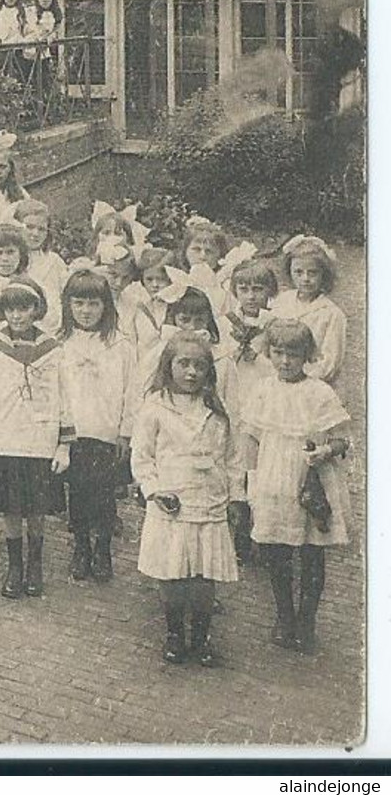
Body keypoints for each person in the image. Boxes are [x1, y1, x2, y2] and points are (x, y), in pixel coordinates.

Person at [131, 330, 241, 667]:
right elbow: (142, 457)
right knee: (173, 572)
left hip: (208, 503)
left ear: (209, 371)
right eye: (184, 364)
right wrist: (154, 490)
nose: (191, 373)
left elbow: (232, 459)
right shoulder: (155, 408)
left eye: (199, 366)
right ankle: (175, 633)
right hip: (171, 503)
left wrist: (236, 497)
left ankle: (202, 636)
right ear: (169, 366)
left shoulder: (217, 412)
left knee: (204, 575)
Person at [244, 319, 352, 654]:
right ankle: (284, 617)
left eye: (293, 354)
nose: (285, 361)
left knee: (311, 553)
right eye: (278, 353)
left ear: (307, 355)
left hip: (310, 481)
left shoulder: (319, 392)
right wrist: (251, 480)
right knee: (276, 552)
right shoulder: (264, 388)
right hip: (274, 478)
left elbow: (341, 439)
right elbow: (251, 438)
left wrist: (325, 450)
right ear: (269, 353)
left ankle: (307, 621)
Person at [0, 277, 73, 599]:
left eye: (24, 308)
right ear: (3, 312)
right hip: (6, 439)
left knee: (36, 509)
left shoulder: (53, 350)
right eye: (11, 309)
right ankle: (14, 565)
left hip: (40, 441)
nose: (18, 316)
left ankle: (35, 564)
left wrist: (63, 444)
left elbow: (65, 397)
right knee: (11, 507)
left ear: (36, 309)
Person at [59, 266, 137, 582]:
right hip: (75, 432)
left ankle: (103, 549)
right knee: (77, 494)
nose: (86, 311)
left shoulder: (121, 345)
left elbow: (132, 391)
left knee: (104, 496)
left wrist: (126, 432)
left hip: (107, 433)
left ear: (106, 306)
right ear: (68, 305)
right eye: (79, 303)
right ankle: (81, 548)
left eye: (93, 304)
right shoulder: (61, 343)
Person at [220, 256, 279, 566]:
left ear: (269, 292)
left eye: (258, 289)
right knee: (235, 465)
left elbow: (278, 365)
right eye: (244, 289)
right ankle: (238, 529)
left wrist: (258, 354)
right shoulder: (227, 321)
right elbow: (219, 360)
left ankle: (261, 530)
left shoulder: (273, 325)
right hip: (235, 398)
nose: (251, 296)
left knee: (258, 467)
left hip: (262, 399)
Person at [269, 235, 346, 383]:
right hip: (278, 377)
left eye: (312, 272)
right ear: (290, 272)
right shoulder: (282, 302)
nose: (305, 278)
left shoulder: (331, 314)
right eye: (298, 272)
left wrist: (301, 379)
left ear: (324, 274)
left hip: (310, 383)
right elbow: (269, 341)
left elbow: (330, 362)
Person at [15, 199, 68, 334]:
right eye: (30, 227)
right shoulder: (10, 262)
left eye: (41, 229)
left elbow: (67, 296)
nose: (35, 234)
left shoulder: (54, 261)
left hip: (53, 329)